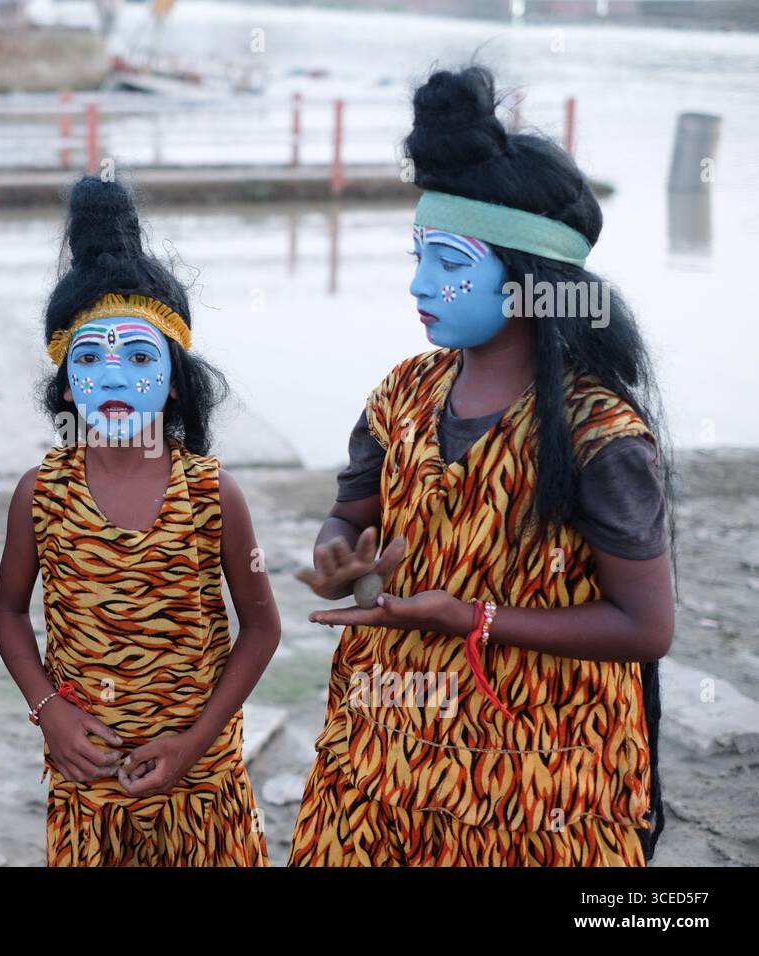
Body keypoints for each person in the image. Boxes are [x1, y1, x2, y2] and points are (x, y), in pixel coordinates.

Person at [289, 66, 674, 867]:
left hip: (538, 789)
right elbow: (352, 515)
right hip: (378, 757)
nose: (419, 283)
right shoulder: (401, 393)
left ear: (532, 283)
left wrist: (471, 618)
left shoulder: (601, 436)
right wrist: (336, 557)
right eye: (419, 254)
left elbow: (647, 629)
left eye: (450, 263)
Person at [0, 176, 281, 866]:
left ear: (175, 379)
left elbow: (262, 627)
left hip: (201, 777)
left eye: (139, 358)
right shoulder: (41, 493)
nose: (113, 378)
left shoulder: (213, 492)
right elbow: (6, 612)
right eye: (89, 359)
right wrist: (47, 710)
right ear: (65, 385)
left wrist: (197, 740)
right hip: (87, 773)